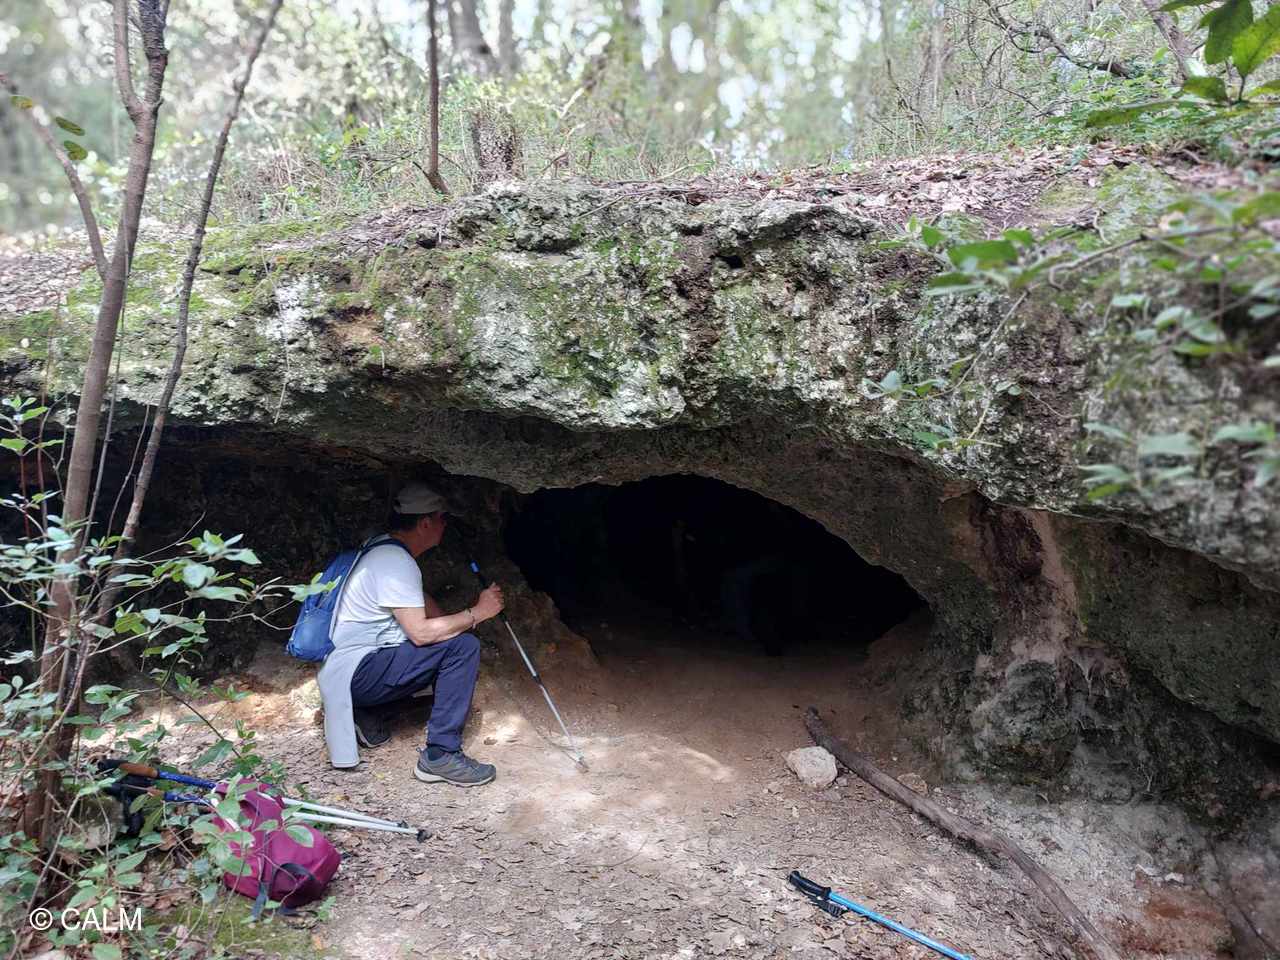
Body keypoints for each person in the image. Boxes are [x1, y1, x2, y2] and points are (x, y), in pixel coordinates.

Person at [316, 482, 504, 785]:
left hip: (346, 672)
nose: (445, 525)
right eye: (443, 518)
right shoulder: (396, 562)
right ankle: (440, 755)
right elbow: (420, 634)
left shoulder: (380, 548)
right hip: (359, 673)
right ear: (425, 522)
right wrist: (477, 613)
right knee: (463, 648)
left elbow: (418, 605)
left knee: (448, 645)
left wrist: (460, 620)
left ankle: (366, 714)